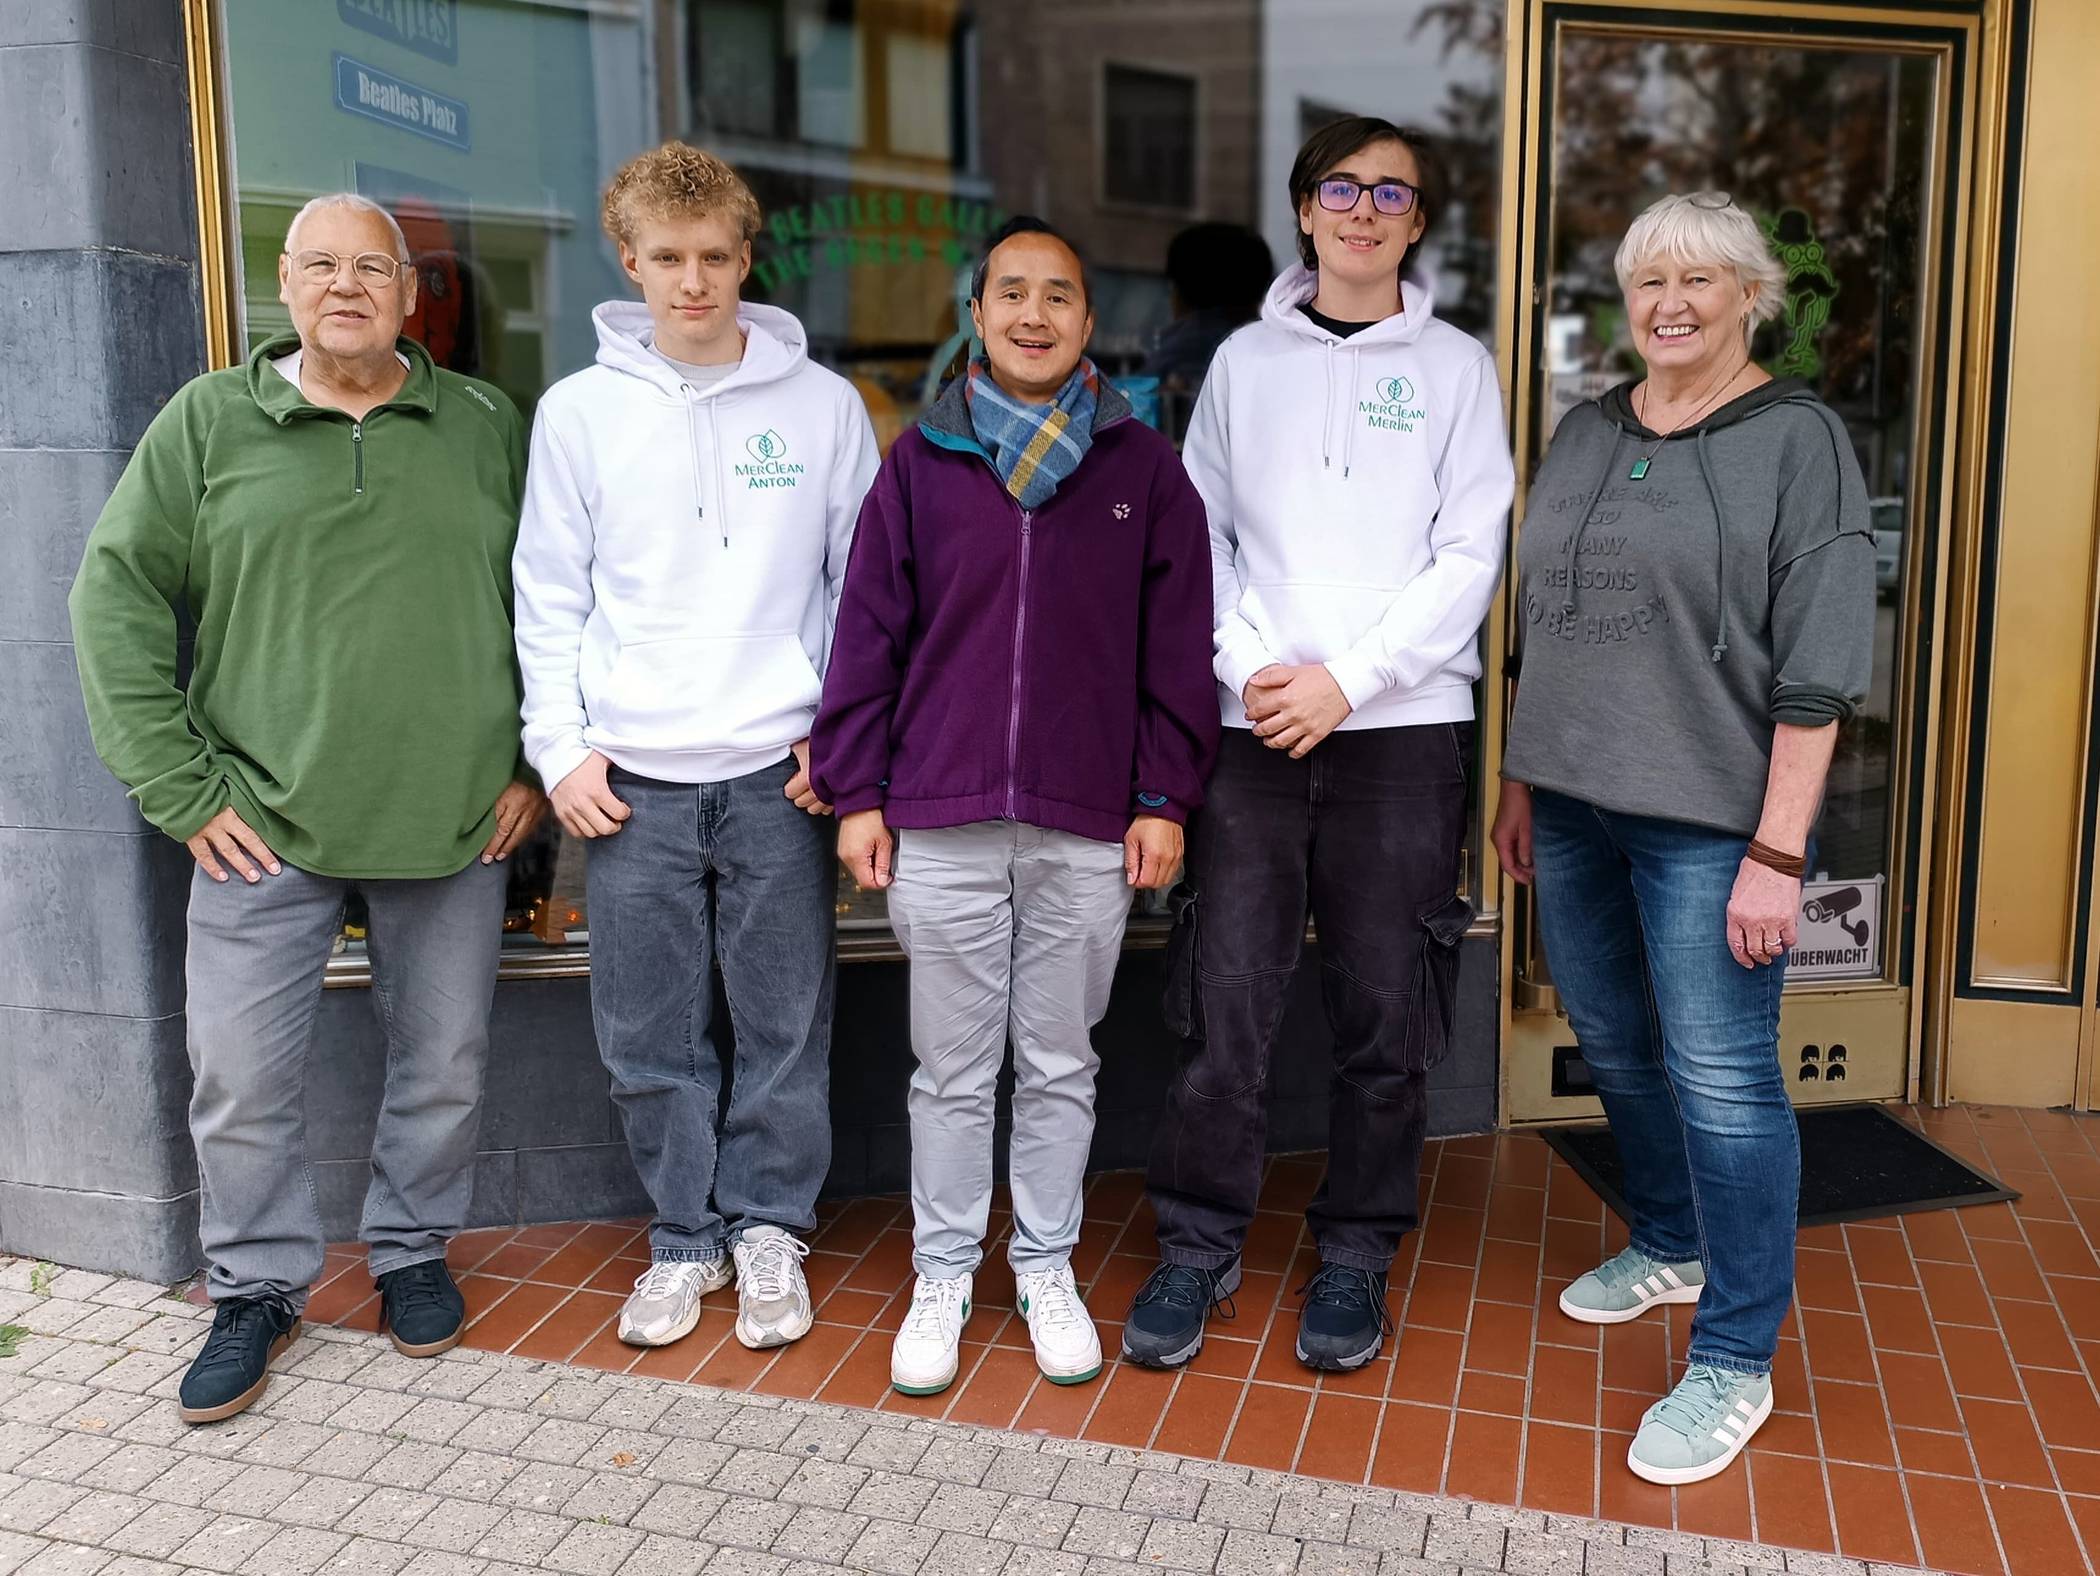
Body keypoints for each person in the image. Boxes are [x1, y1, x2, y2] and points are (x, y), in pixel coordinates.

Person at [70, 193, 543, 1423]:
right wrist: (178, 787)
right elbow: (113, 600)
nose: (347, 284)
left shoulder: (485, 423)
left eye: (372, 266)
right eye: (322, 263)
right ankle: (257, 1286)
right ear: (282, 280)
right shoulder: (209, 423)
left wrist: (537, 764)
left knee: (444, 1061)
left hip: (453, 819)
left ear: (409, 291)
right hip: (259, 822)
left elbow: (559, 608)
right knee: (235, 1073)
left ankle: (410, 1250)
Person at [1492, 190, 1874, 1485]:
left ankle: (1734, 1359)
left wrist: (1778, 849)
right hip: (1577, 802)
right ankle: (1668, 1238)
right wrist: (1523, 778)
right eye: (1648, 278)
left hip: (1715, 820)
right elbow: (1549, 616)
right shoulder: (1591, 426)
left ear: (1749, 295)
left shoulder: (1798, 438)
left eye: (1699, 280)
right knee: (1609, 1041)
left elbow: (1821, 664)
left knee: (1723, 1077)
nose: (1668, 302)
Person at [1126, 117, 1514, 1374]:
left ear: (1414, 221)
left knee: (1384, 1010)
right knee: (1224, 1005)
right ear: (1304, 210)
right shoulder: (1244, 360)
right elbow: (1205, 535)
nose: (1363, 209)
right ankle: (1196, 1245)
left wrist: (1352, 680)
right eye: (1341, 188)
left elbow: (1470, 551)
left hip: (1400, 732)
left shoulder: (1458, 368)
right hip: (1254, 727)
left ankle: (1355, 1250)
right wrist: (1255, 673)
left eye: (1390, 192)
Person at [811, 216, 1219, 1396]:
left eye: (1059, 296)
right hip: (937, 817)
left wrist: (1162, 793)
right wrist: (857, 794)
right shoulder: (919, 463)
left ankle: (1044, 1263)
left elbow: (1174, 650)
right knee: (948, 1069)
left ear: (1089, 324)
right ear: (975, 316)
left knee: (1057, 1062)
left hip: (1089, 821)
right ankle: (945, 1267)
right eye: (1012, 294)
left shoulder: (1144, 469)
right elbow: (868, 638)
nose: (1034, 314)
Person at [513, 143, 878, 1354]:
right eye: (667, 259)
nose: (694, 281)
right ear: (630, 260)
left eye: (715, 257)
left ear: (744, 256)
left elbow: (862, 591)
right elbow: (548, 594)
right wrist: (560, 749)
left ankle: (771, 1227)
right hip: (633, 783)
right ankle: (683, 1237)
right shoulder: (579, 412)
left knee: (784, 1022)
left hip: (781, 770)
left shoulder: (821, 407)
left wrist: (842, 736)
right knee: (648, 1031)